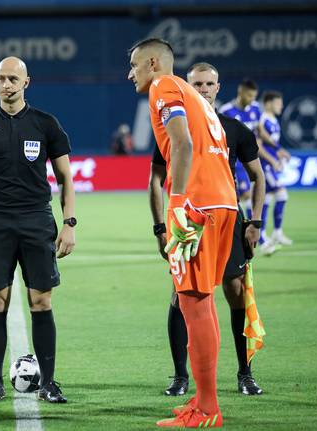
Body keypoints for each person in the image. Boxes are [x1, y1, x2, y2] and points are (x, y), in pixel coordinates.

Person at [128, 38, 237, 428]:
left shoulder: (164, 86)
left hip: (196, 206)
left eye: (135, 66)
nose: (131, 75)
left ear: (153, 63)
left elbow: (183, 143)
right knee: (202, 302)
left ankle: (207, 409)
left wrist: (177, 203)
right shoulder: (195, 95)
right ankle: (203, 398)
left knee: (193, 303)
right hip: (223, 203)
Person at [0, 56, 76, 404]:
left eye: (13, 79)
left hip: (37, 220)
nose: (6, 85)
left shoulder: (46, 124)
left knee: (41, 301)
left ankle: (49, 383)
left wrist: (69, 223)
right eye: (1, 79)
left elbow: (67, 178)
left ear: (26, 82)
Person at [149, 62, 266, 399]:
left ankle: (245, 373)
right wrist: (160, 226)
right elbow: (155, 179)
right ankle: (180, 376)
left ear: (218, 87)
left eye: (208, 84)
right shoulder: (176, 126)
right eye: (196, 84)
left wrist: (255, 222)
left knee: (234, 291)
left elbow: (259, 177)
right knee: (181, 294)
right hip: (188, 221)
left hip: (226, 222)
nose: (202, 90)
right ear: (187, 86)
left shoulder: (235, 129)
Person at [219, 79, 261, 220]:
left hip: (249, 159)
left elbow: (258, 133)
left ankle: (248, 225)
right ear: (240, 92)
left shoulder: (255, 109)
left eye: (254, 96)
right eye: (249, 95)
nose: (252, 99)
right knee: (243, 195)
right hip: (234, 161)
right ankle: (246, 225)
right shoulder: (226, 111)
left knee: (248, 194)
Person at [257, 91, 293, 247]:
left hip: (271, 165)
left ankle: (266, 233)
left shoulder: (274, 121)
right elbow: (258, 145)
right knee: (281, 194)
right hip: (265, 165)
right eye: (278, 103)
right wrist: (272, 160)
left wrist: (279, 153)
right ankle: (270, 233)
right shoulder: (263, 120)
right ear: (268, 103)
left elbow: (271, 144)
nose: (281, 106)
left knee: (267, 198)